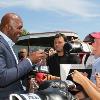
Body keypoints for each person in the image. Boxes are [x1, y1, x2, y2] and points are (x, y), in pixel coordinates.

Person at [0, 13, 45, 100]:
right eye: (19, 28)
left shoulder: (8, 44)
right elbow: (2, 77)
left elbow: (14, 71)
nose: (21, 31)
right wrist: (29, 60)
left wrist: (27, 82)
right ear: (8, 27)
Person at [72, 32, 100, 99]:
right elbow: (97, 89)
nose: (91, 45)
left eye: (93, 42)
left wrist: (84, 81)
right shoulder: (95, 62)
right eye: (89, 43)